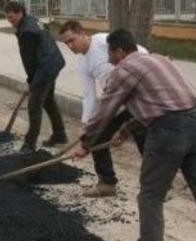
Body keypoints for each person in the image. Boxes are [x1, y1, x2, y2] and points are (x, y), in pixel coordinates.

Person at [72, 28, 196, 241]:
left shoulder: (124, 70)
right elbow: (160, 102)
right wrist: (124, 132)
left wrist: (86, 144)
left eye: (111, 56)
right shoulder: (160, 59)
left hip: (169, 132)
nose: (110, 61)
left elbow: (106, 110)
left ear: (120, 51)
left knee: (151, 193)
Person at [58, 20, 148, 198]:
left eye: (72, 40)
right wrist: (85, 125)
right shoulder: (83, 63)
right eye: (66, 43)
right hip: (115, 103)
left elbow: (139, 51)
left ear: (83, 34)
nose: (69, 45)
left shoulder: (102, 41)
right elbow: (89, 96)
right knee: (97, 138)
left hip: (137, 97)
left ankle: (162, 186)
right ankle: (107, 183)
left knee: (144, 140)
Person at [3, 1, 67, 151]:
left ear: (20, 13)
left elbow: (29, 61)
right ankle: (60, 134)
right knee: (48, 100)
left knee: (34, 106)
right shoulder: (33, 20)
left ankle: (29, 144)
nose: (10, 21)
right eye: (7, 18)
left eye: (11, 17)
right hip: (54, 62)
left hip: (45, 67)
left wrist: (31, 81)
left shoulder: (26, 32)